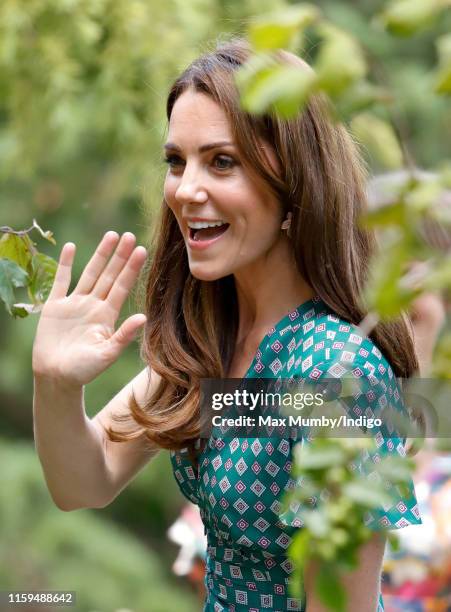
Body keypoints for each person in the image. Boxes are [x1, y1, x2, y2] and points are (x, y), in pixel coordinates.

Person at [32, 37, 423, 612]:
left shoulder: (334, 375)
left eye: (222, 161)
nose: (185, 190)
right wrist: (57, 385)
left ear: (294, 181)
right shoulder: (213, 340)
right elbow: (83, 482)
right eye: (176, 161)